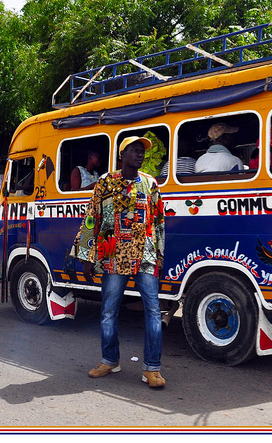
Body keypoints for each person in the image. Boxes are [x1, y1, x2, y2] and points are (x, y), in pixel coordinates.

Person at [73, 136, 166, 388]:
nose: (140, 155)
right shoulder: (105, 183)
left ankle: (152, 369)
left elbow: (158, 222)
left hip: (144, 255)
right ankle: (109, 360)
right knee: (108, 311)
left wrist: (159, 255)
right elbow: (92, 217)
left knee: (153, 311)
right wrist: (87, 256)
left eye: (142, 152)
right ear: (122, 155)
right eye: (135, 151)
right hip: (113, 255)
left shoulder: (150, 184)